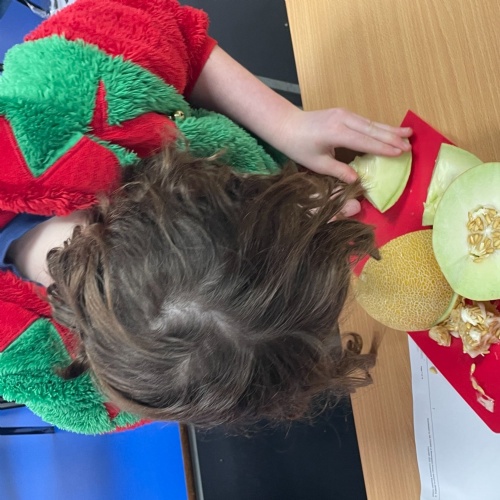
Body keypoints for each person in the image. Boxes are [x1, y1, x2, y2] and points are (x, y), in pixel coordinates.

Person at [0, 0, 411, 433]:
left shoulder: (67, 96)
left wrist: (286, 124)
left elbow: (175, 33)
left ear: (185, 180)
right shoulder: (80, 394)